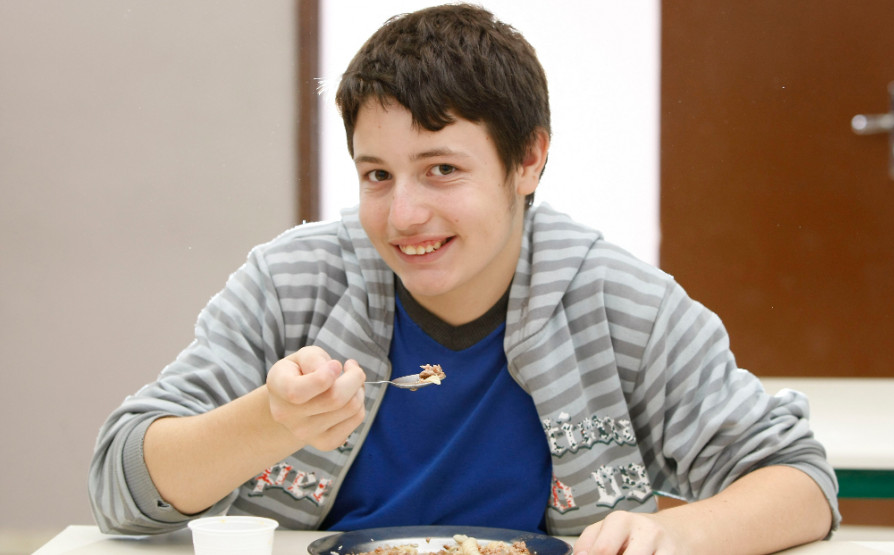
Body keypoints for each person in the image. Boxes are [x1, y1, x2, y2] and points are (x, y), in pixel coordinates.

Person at [89, 4, 839, 553]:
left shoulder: (617, 301)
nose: (404, 213)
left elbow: (799, 479)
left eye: (441, 170)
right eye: (376, 174)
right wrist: (270, 421)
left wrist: (674, 532)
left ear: (528, 160)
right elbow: (122, 490)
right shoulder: (293, 283)